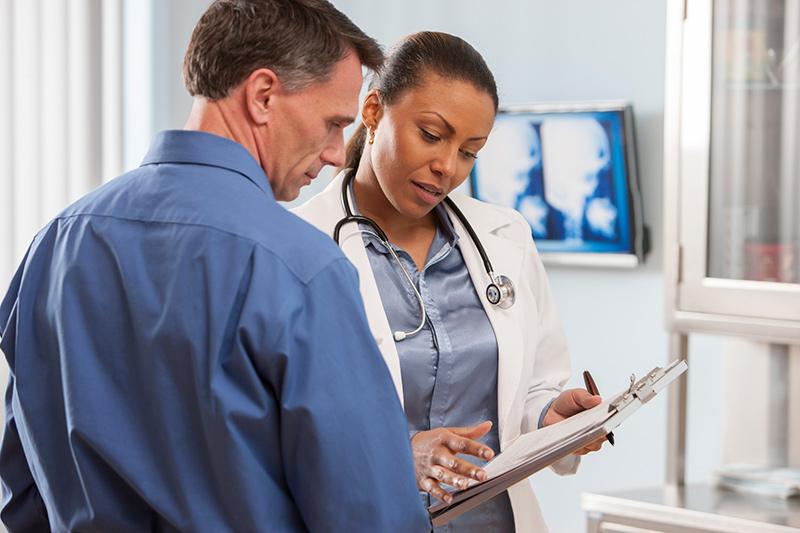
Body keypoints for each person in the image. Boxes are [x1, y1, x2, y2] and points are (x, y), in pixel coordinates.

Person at [0, 1, 430, 531]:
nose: (339, 154)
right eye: (333, 123)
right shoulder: (300, 270)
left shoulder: (57, 243)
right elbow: (370, 515)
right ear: (263, 95)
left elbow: (22, 489)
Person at [293, 31, 605, 532]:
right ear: (372, 112)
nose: (447, 167)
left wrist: (550, 417)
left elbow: (526, 392)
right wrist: (397, 455)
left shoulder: (505, 238)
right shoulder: (299, 246)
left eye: (470, 151)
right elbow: (276, 429)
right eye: (432, 135)